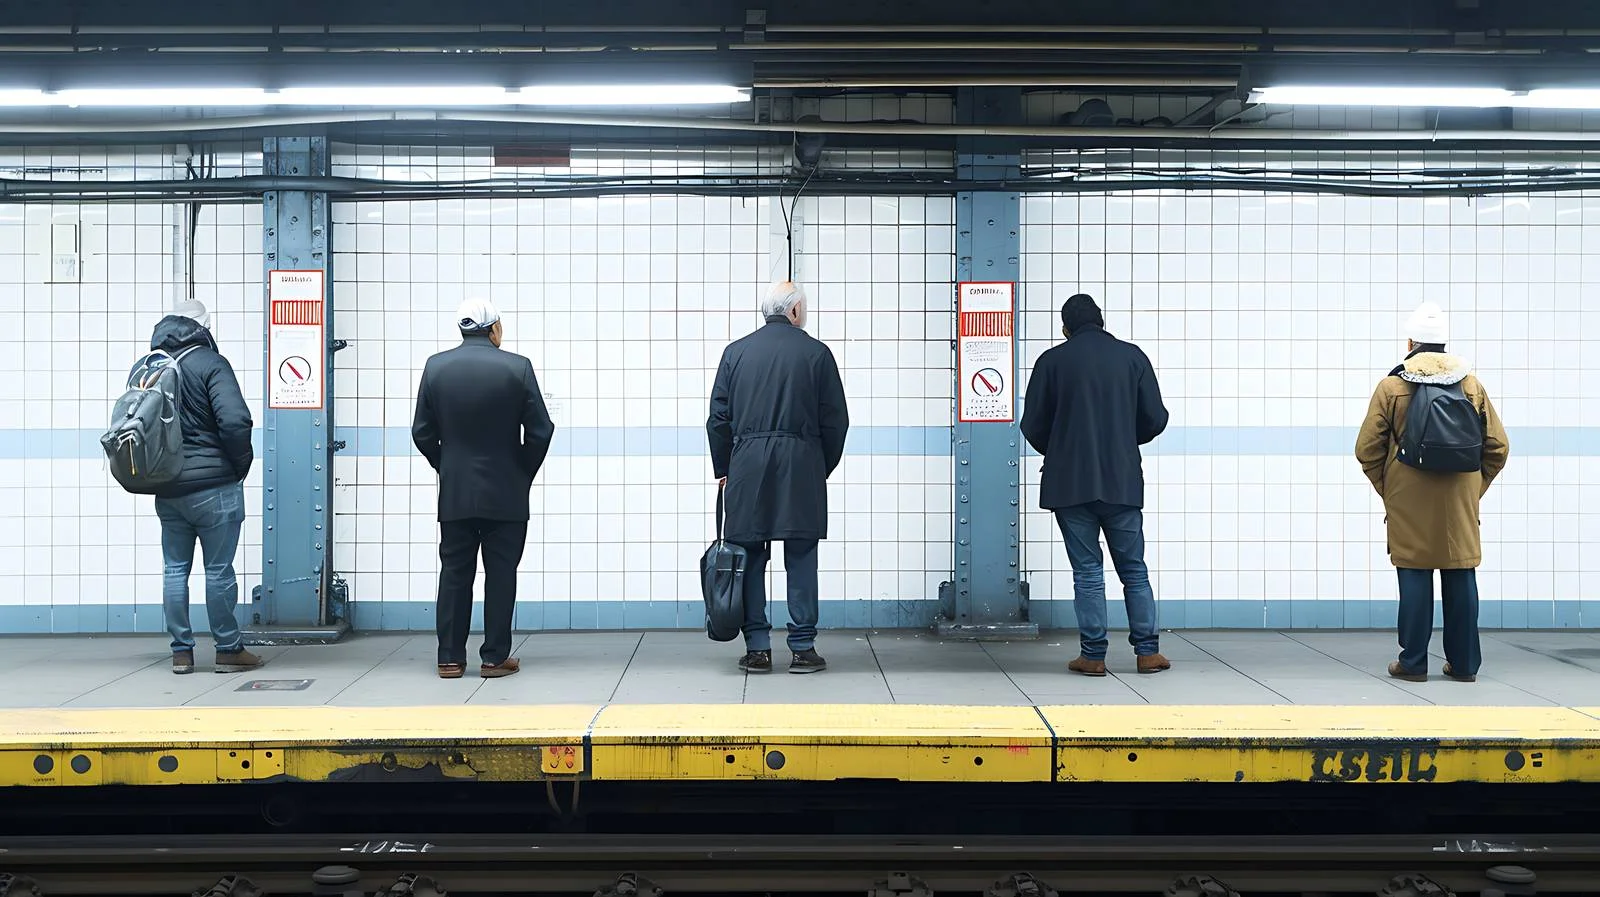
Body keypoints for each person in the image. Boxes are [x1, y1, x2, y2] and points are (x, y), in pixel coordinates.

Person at [1356, 302, 1509, 683]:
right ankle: (1465, 665)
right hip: (1460, 494)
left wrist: (1390, 489)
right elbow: (1497, 447)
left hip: (1407, 493)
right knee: (1460, 573)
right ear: (1445, 345)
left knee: (1413, 573)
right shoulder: (1470, 384)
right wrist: (1473, 489)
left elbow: (1366, 449)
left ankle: (1412, 663)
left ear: (1410, 342)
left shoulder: (1392, 387)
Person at [1021, 293, 1170, 677]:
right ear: (1102, 321)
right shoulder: (1132, 357)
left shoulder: (1052, 361)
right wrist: (1122, 438)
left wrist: (1060, 447)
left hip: (1069, 484)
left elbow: (1032, 424)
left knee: (1087, 571)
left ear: (1065, 328)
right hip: (1121, 480)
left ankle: (1093, 655)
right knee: (1133, 569)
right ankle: (1148, 652)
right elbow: (1155, 418)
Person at [707, 282, 849, 674]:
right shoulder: (817, 354)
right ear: (796, 310)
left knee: (749, 556)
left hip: (747, 465)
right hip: (801, 463)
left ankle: (757, 648)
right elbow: (836, 420)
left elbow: (719, 418)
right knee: (801, 557)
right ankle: (802, 647)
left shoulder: (735, 353)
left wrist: (724, 468)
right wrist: (820, 466)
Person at [412, 298, 555, 680]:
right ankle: (494, 658)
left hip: (455, 492)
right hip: (506, 492)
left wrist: (445, 465)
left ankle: (449, 659)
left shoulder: (435, 367)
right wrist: (521, 470)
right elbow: (542, 430)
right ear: (494, 329)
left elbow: (421, 432)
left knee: (455, 572)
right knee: (501, 573)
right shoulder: (517, 368)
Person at [148, 300, 263, 675]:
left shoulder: (153, 367)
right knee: (218, 571)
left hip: (167, 485)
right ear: (205, 329)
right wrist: (239, 465)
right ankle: (228, 649)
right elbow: (235, 421)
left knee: (174, 569)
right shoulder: (212, 364)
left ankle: (181, 651)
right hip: (215, 486)